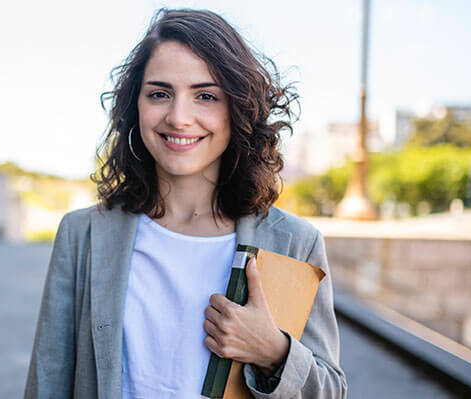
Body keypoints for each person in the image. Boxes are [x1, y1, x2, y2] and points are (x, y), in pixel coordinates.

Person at [25, 8, 347, 399]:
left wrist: (273, 352)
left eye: (206, 96)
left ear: (237, 109)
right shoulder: (82, 235)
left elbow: (331, 391)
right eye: (160, 93)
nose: (179, 117)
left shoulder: (297, 241)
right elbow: (49, 380)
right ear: (135, 106)